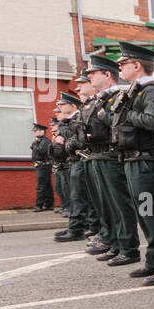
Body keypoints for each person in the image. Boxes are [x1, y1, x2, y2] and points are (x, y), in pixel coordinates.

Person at [113, 40, 154, 285]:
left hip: (147, 165)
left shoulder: (151, 92)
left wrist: (127, 115)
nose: (120, 67)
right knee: (145, 216)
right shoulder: (135, 92)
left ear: (137, 65)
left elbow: (153, 120)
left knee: (153, 214)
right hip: (135, 163)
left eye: (124, 63)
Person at [83, 54, 140, 266]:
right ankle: (116, 244)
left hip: (111, 156)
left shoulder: (118, 96)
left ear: (107, 75)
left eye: (93, 73)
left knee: (120, 205)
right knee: (108, 205)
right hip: (98, 155)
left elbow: (116, 125)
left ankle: (128, 247)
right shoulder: (101, 99)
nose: (89, 78)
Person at [53, 91, 91, 241]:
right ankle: (77, 226)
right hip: (72, 161)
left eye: (62, 104)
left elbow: (77, 140)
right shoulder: (68, 122)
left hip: (80, 160)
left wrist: (62, 133)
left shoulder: (77, 119)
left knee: (78, 196)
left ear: (73, 105)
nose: (59, 108)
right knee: (74, 196)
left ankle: (77, 229)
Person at [31, 122, 54, 211]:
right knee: (47, 185)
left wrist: (34, 145)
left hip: (43, 165)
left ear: (42, 131)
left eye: (35, 131)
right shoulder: (39, 141)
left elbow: (41, 151)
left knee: (41, 186)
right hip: (41, 166)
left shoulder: (45, 141)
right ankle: (49, 204)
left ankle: (38, 205)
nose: (34, 133)